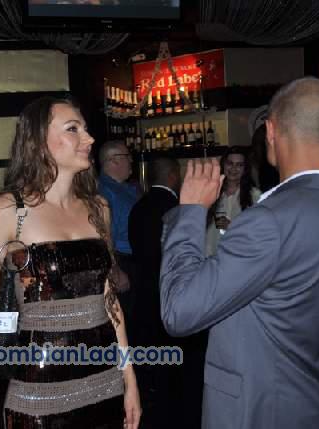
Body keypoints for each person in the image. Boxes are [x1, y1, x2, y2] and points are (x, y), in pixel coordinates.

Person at [160, 77, 319, 428]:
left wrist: (191, 213)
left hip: (258, 413)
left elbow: (178, 310)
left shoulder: (268, 221)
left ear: (271, 131)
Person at [0, 96, 141, 428]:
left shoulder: (98, 208)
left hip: (104, 379)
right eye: (73, 129)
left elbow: (109, 299)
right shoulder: (10, 210)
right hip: (39, 387)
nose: (89, 138)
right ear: (39, 141)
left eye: (85, 128)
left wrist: (129, 378)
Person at [128, 157, 206, 429]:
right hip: (172, 294)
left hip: (144, 295)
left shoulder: (138, 208)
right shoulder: (177, 210)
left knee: (154, 367)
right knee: (180, 373)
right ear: (173, 176)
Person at [98, 140, 141, 320]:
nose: (131, 160)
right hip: (122, 263)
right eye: (127, 156)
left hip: (134, 263)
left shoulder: (126, 188)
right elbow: (103, 235)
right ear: (114, 160)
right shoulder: (104, 192)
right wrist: (115, 270)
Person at [205, 146, 261, 256]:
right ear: (223, 165)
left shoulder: (255, 196)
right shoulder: (211, 192)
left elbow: (259, 230)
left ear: (245, 169)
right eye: (230, 163)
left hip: (240, 255)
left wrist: (233, 226)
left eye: (239, 165)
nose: (233, 168)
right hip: (210, 255)